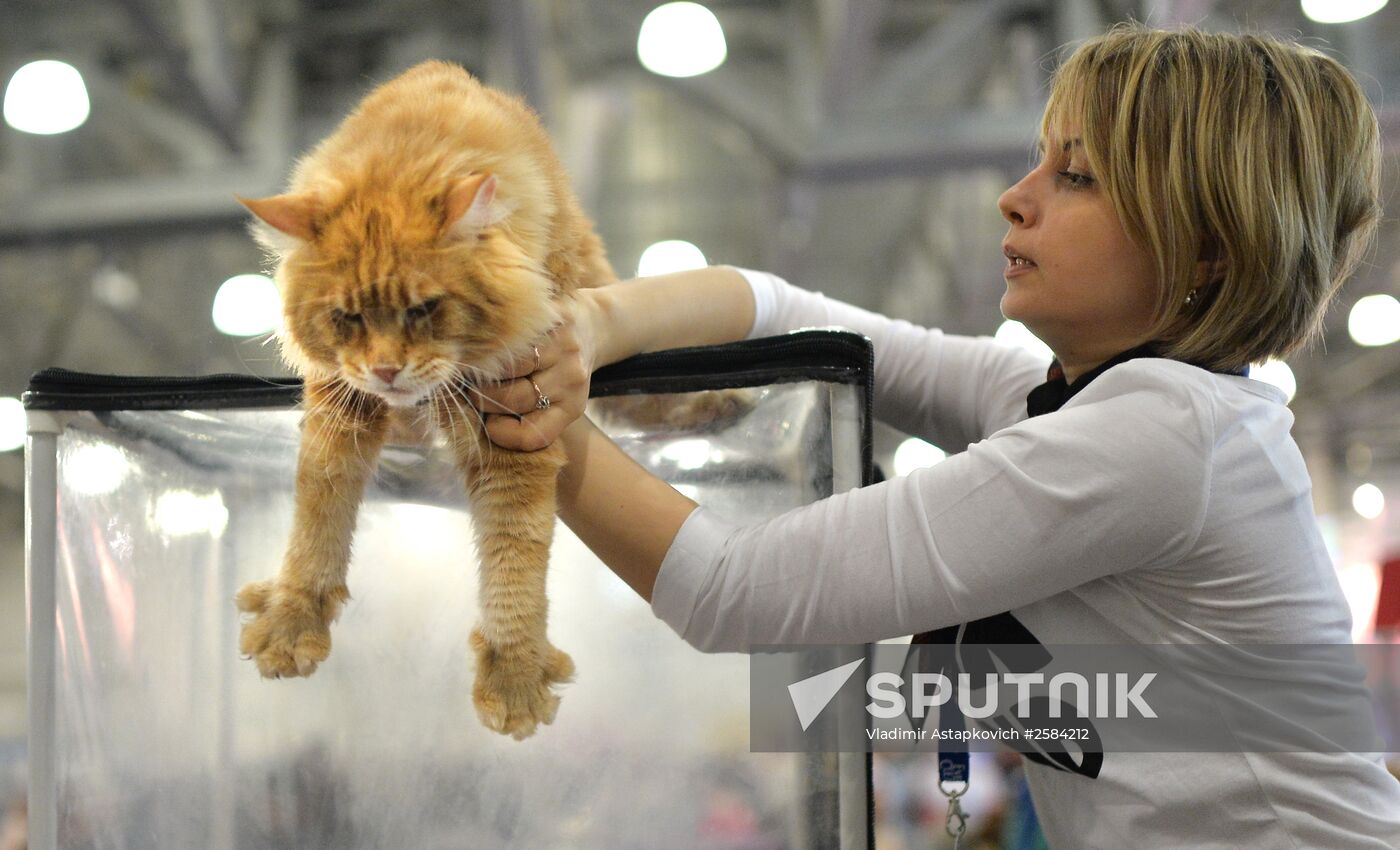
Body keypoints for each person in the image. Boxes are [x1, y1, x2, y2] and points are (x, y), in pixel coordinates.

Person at [476, 23, 1400, 848]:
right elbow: (787, 313)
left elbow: (735, 590)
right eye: (1040, 162)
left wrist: (526, 420)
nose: (1015, 197)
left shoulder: (1161, 438)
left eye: (1074, 176)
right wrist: (589, 327)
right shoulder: (1094, 404)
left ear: (1207, 247)